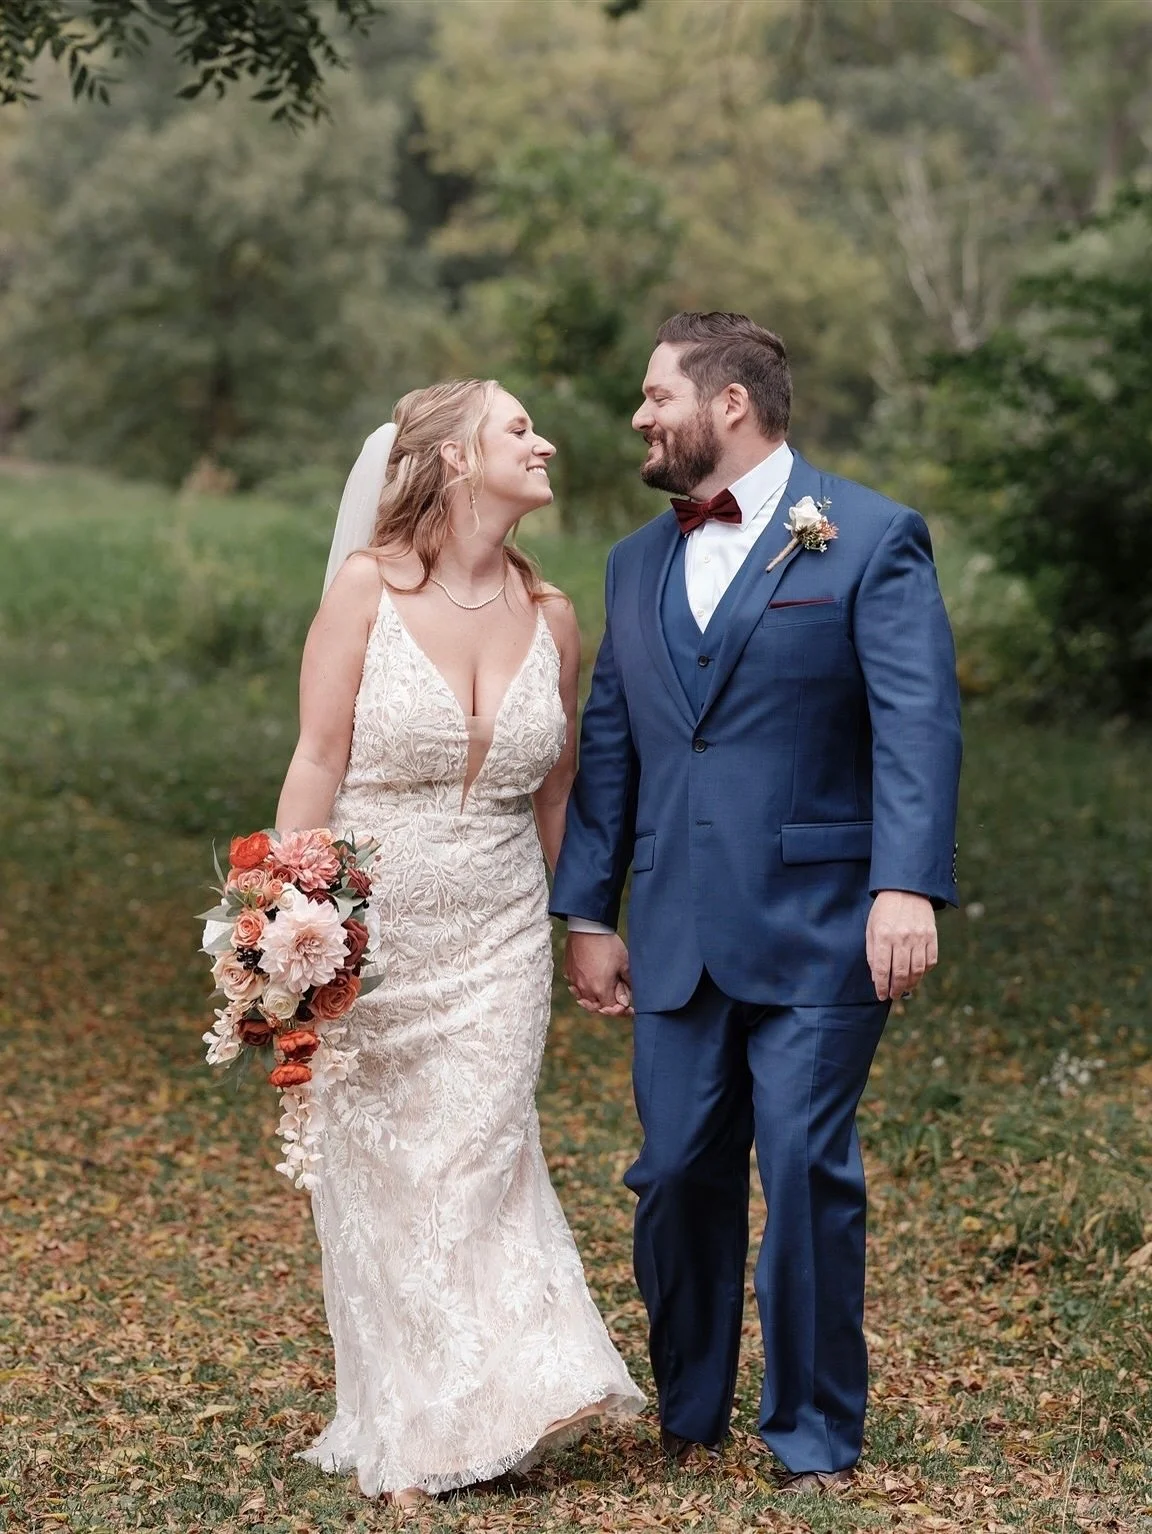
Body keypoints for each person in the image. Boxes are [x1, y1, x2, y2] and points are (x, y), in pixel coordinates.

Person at [551, 312, 962, 1493]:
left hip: (829, 921)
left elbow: (916, 723)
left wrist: (905, 884)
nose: (638, 415)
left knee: (802, 1160)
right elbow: (613, 748)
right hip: (677, 929)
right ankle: (691, 1406)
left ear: (729, 404)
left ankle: (817, 1435)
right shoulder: (636, 561)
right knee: (675, 1169)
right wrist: (590, 912)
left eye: (655, 394)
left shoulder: (871, 536)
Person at [275, 379, 643, 1506]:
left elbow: (558, 794)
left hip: (495, 931)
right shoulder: (363, 593)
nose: (544, 443)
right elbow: (317, 763)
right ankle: (422, 1410)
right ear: (448, 461)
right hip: (375, 932)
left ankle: (520, 1386)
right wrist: (292, 920)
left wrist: (585, 920)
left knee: (477, 1150)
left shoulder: (556, 614)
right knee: (387, 1169)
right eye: (517, 428)